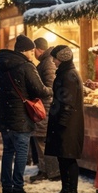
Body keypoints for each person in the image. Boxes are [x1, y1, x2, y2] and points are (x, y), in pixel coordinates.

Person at [0, 34, 52, 193]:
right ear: (25, 51)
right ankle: (18, 188)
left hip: (5, 117)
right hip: (22, 118)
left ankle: (6, 189)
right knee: (21, 153)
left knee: (8, 153)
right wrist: (50, 90)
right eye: (31, 51)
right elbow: (39, 90)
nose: (33, 54)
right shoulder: (26, 67)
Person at [45, 45, 84, 193]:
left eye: (55, 58)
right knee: (63, 156)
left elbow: (68, 102)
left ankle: (71, 190)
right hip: (66, 122)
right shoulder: (67, 73)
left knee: (68, 157)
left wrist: (62, 123)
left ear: (61, 58)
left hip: (68, 124)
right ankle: (66, 189)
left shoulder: (68, 75)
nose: (53, 62)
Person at [29, 37, 60, 183]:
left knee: (43, 141)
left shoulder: (47, 63)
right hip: (44, 107)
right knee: (42, 140)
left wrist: (38, 91)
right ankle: (46, 170)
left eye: (33, 50)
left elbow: (51, 87)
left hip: (45, 108)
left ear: (38, 49)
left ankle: (50, 172)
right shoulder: (46, 62)